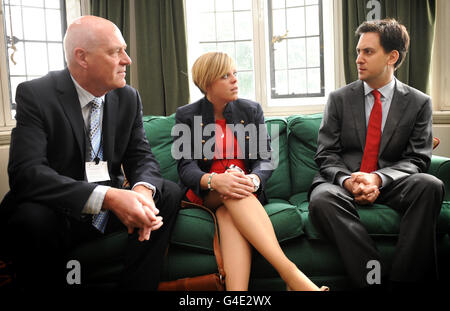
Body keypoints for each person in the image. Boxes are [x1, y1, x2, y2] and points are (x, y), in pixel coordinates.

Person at [0, 15, 181, 290]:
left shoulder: (127, 97)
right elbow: (27, 174)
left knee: (165, 193)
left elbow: (141, 156)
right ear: (82, 57)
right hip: (60, 209)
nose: (127, 60)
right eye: (115, 52)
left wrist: (143, 193)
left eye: (125, 49)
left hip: (108, 211)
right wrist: (108, 197)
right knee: (31, 218)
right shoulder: (36, 95)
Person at [308, 19, 444, 291]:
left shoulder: (419, 102)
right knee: (321, 199)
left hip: (391, 181)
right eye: (358, 51)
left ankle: (407, 281)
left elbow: (418, 158)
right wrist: (348, 181)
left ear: (392, 56)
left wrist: (378, 179)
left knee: (430, 186)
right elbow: (326, 154)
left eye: (367, 52)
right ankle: (375, 279)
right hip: (345, 181)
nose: (358, 59)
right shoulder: (339, 99)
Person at [173, 51, 328, 291]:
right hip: (205, 192)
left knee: (229, 210)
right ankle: (291, 274)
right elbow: (186, 168)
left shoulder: (249, 111)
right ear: (207, 82)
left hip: (244, 189)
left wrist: (254, 180)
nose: (235, 80)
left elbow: (264, 160)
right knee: (230, 190)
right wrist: (214, 180)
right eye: (226, 75)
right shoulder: (187, 115)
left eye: (235, 73)